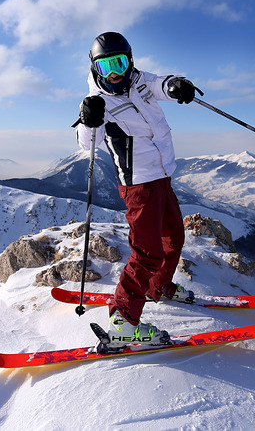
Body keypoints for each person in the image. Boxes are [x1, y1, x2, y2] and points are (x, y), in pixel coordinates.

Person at [75, 31, 197, 349]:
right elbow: (88, 143)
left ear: (129, 61)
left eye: (118, 63)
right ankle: (123, 322)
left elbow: (160, 84)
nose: (113, 73)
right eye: (105, 67)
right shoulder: (97, 103)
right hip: (139, 186)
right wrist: (88, 120)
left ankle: (158, 287)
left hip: (163, 175)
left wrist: (175, 85)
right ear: (94, 69)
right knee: (146, 254)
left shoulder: (140, 81)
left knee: (174, 237)